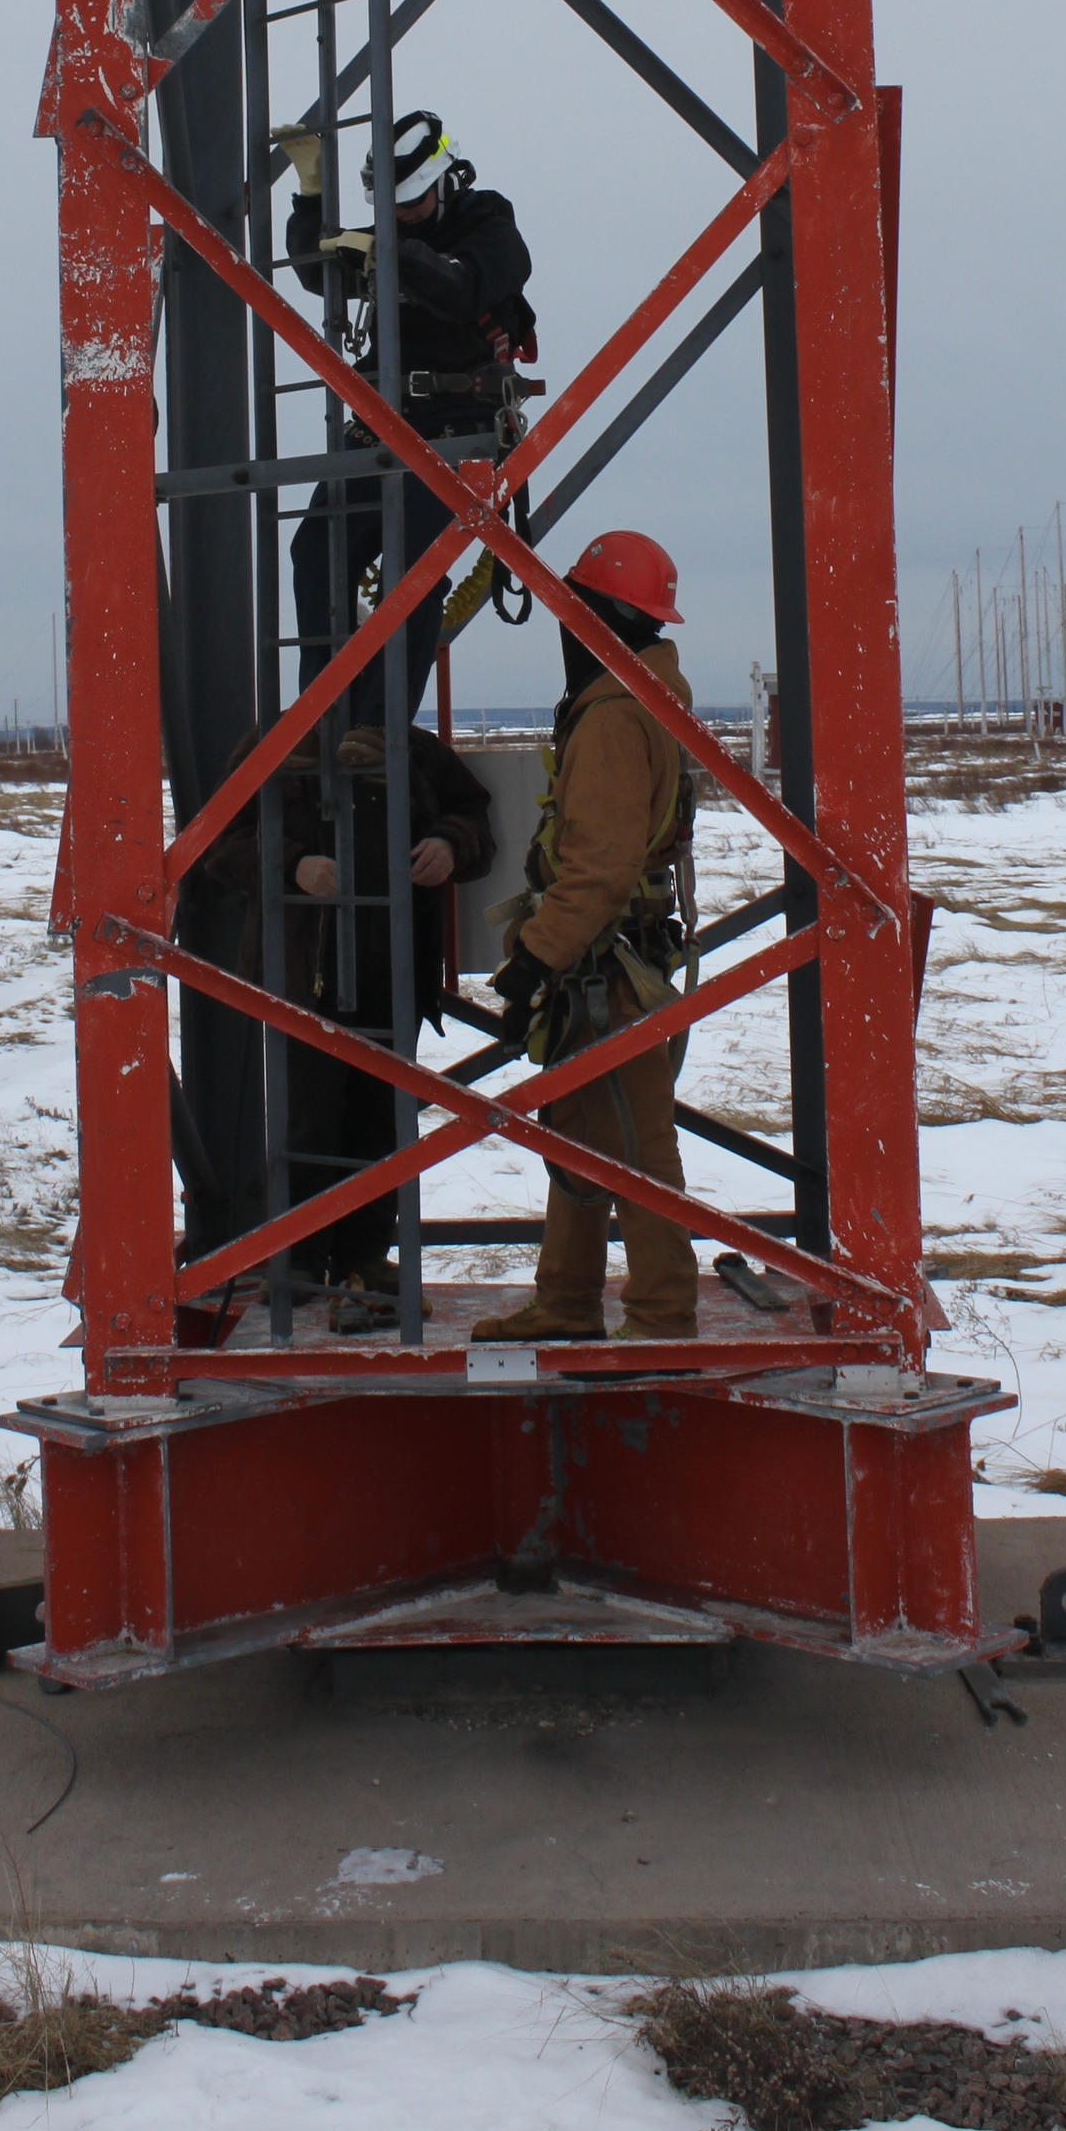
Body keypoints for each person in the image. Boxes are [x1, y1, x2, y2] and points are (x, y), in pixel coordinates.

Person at [472, 530, 701, 1347]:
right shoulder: (648, 694)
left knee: (637, 1151)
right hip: (607, 961)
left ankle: (662, 1318)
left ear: (598, 617)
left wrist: (536, 957)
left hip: (606, 965)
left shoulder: (611, 716)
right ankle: (567, 1302)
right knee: (581, 1137)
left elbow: (599, 867)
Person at [196, 716, 497, 1333]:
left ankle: (363, 1260)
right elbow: (220, 843)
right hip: (304, 982)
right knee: (307, 1122)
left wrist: (448, 843)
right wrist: (292, 866)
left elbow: (475, 820)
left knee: (380, 1125)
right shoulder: (272, 744)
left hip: (394, 977)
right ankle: (301, 1264)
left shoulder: (411, 747)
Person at [279, 108, 534, 726]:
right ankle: (325, 713)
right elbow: (320, 273)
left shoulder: (489, 226)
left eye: (415, 200)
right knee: (316, 550)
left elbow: (461, 287)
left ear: (447, 178)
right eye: (393, 205)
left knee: (410, 572)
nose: (403, 213)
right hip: (386, 423)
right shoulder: (386, 238)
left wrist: (389, 252)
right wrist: (312, 200)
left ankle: (377, 725)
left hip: (460, 425)